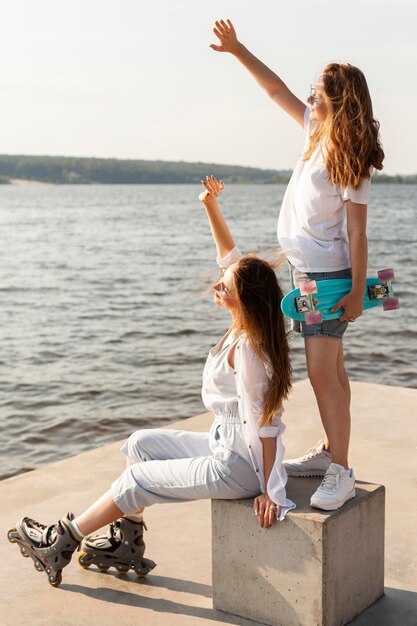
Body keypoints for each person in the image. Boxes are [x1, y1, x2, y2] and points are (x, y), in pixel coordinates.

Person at [8, 175, 295, 588]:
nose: (217, 285)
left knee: (136, 481)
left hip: (237, 466)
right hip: (223, 444)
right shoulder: (244, 324)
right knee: (141, 444)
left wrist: (271, 491)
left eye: (225, 287)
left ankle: (61, 542)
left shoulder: (248, 348)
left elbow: (267, 423)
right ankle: (126, 543)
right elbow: (229, 258)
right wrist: (209, 205)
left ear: (245, 299)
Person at [210, 20, 384, 510]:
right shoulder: (315, 134)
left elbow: (357, 234)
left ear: (339, 101)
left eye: (317, 94)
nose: (308, 99)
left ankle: (342, 472)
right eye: (310, 93)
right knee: (334, 370)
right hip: (304, 276)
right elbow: (274, 89)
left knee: (323, 374)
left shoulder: (351, 159)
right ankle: (334, 453)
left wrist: (354, 293)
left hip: (328, 280)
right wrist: (239, 50)